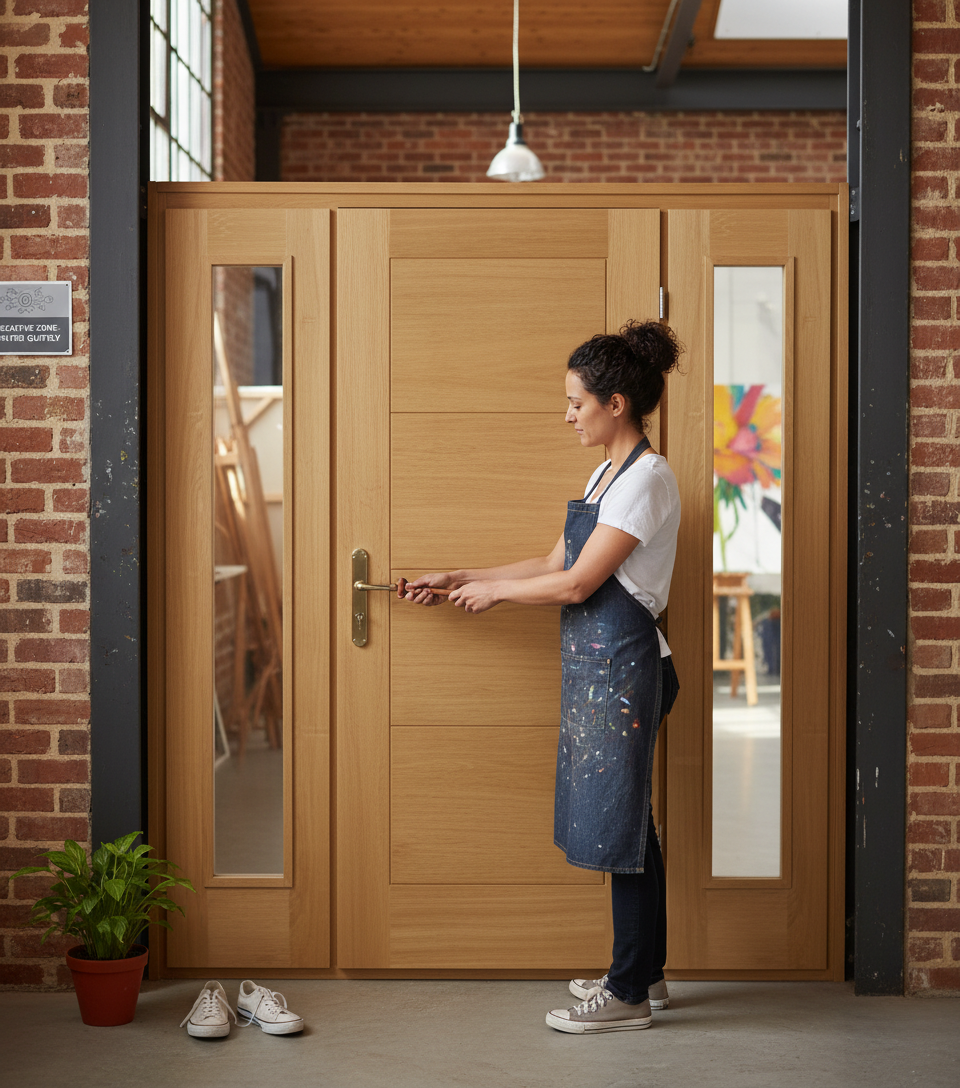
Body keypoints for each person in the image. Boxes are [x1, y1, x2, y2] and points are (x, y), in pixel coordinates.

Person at [403, 320, 682, 1034]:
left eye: (576, 403)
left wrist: (495, 596)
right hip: (602, 672)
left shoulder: (648, 479)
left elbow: (577, 586)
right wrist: (461, 575)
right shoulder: (605, 476)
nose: (568, 416)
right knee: (631, 829)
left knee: (619, 830)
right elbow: (552, 561)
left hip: (628, 671)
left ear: (616, 403)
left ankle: (624, 998)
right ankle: (642, 973)